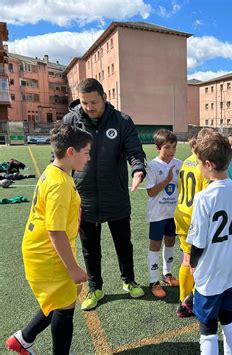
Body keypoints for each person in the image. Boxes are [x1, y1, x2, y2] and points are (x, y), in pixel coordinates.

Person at [6, 123, 91, 354]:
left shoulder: (56, 172)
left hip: (44, 248)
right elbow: (55, 231)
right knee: (65, 305)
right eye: (86, 152)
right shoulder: (59, 184)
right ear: (71, 152)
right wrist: (73, 268)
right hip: (48, 253)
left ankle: (23, 339)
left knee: (60, 299)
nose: (89, 157)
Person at [63, 78, 147, 311]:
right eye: (84, 102)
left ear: (104, 97)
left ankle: (128, 281)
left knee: (123, 243)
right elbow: (59, 154)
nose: (89, 107)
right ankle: (95, 287)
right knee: (90, 247)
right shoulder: (71, 120)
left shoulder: (122, 121)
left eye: (93, 102)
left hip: (116, 195)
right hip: (84, 198)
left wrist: (138, 169)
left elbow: (134, 150)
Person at [187, 132, 232, 355]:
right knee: (228, 315)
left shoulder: (204, 197)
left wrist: (192, 264)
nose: (198, 167)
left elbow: (198, 241)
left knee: (207, 324)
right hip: (230, 263)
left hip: (210, 268)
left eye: (199, 163)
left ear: (208, 164)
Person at [175, 131, 210, 317]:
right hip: (195, 217)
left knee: (187, 260)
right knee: (199, 262)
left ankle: (183, 300)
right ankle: (193, 300)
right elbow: (206, 199)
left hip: (181, 213)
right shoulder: (205, 166)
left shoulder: (186, 161)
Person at [145, 129, 182, 299]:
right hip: (157, 214)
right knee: (155, 245)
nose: (171, 151)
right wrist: (166, 181)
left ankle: (167, 274)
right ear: (158, 148)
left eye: (173, 147)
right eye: (167, 147)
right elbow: (151, 192)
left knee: (170, 242)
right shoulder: (152, 166)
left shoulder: (179, 164)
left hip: (173, 213)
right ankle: (153, 281)